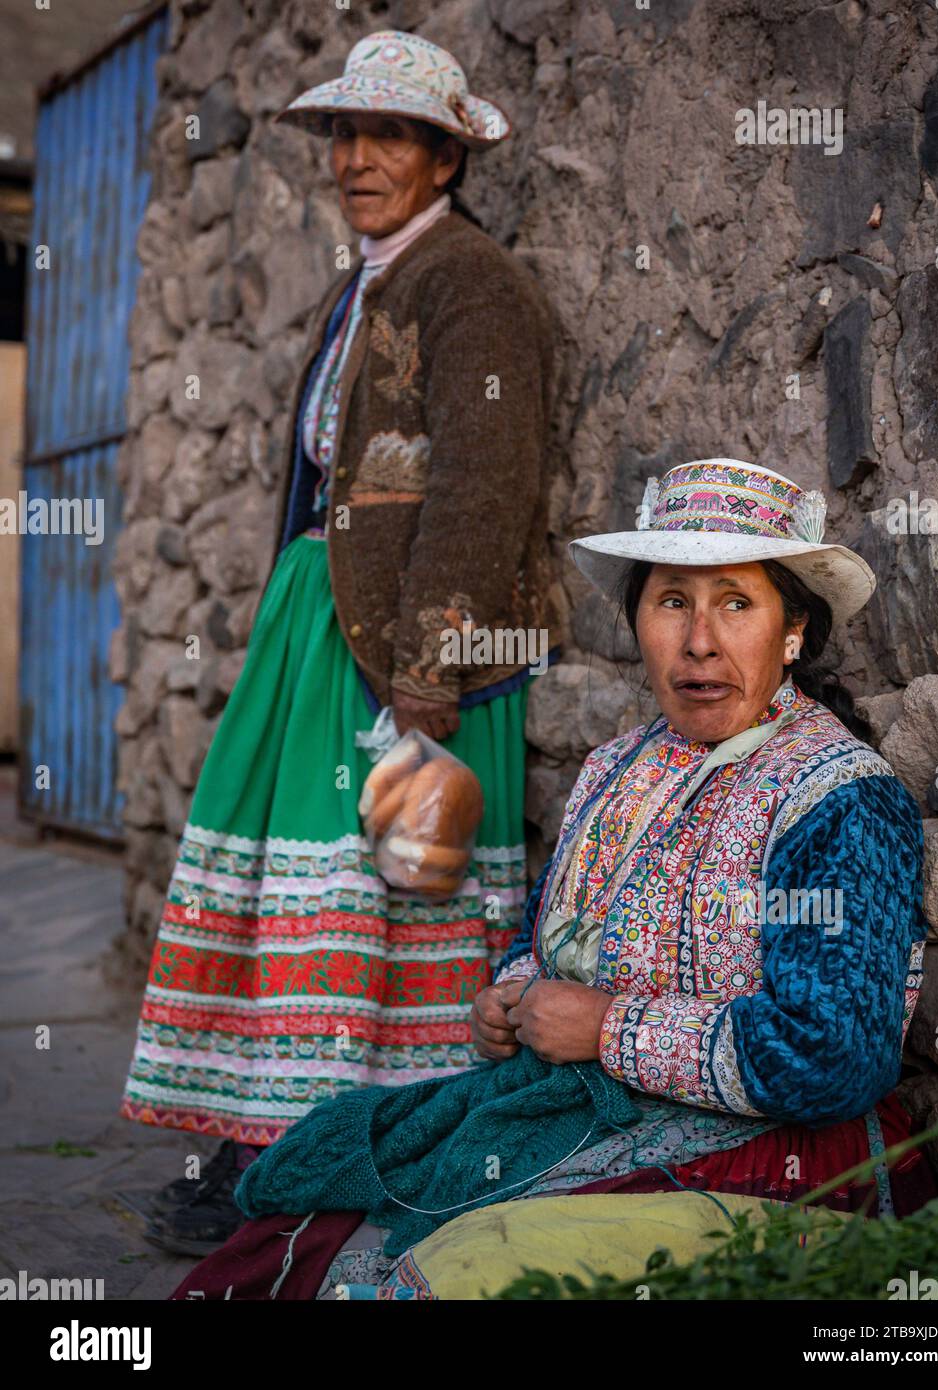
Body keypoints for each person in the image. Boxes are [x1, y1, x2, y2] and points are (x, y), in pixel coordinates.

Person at [168, 458, 938, 1300]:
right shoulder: (616, 769)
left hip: (762, 1157)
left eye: (736, 604)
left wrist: (609, 1030)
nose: (700, 641)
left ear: (792, 632)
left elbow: (838, 1055)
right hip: (566, 1107)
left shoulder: (836, 799)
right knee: (295, 1230)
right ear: (638, 619)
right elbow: (551, 939)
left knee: (450, 1273)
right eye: (673, 601)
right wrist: (511, 999)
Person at [119, 28, 561, 1255]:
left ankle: (345, 1149)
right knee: (291, 889)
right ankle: (272, 1137)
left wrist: (427, 677)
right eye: (345, 135)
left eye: (390, 136)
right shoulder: (368, 280)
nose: (358, 158)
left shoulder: (472, 287)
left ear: (444, 157)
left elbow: (485, 485)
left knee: (375, 894)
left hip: (402, 642)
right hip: (321, 622)